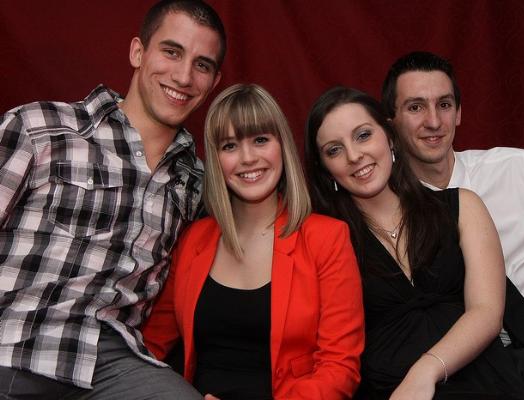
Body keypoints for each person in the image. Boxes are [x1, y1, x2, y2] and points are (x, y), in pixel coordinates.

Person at [0, 1, 225, 398]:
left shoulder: (198, 183)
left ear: (214, 81)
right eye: (171, 52)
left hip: (111, 364)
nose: (184, 76)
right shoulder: (39, 128)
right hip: (16, 343)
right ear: (138, 52)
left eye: (202, 65)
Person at [382, 51, 524, 399]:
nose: (434, 121)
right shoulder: (389, 214)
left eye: (444, 104)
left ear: (459, 113)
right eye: (416, 107)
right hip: (503, 358)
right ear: (391, 122)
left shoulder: (516, 168)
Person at [305, 86, 524, 400]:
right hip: (389, 390)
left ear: (389, 137)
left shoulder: (462, 207)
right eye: (334, 150)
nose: (354, 155)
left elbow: (486, 313)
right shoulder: (325, 241)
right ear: (324, 169)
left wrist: (425, 372)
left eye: (363, 135)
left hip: (482, 377)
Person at [142, 83, 364, 400]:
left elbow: (339, 368)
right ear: (215, 159)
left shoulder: (327, 238)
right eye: (230, 145)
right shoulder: (193, 239)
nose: (247, 158)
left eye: (260, 140)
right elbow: (150, 347)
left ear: (282, 145)